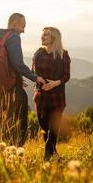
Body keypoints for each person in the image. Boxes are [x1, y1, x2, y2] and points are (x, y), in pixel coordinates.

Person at [0, 13, 46, 147]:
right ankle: (17, 156)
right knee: (20, 125)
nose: (23, 30)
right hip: (13, 90)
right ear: (15, 24)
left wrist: (17, 78)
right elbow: (17, 64)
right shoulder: (14, 37)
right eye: (22, 26)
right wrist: (36, 77)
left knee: (5, 125)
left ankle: (5, 158)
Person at [32, 27, 71, 160]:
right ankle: (54, 155)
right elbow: (33, 72)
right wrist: (37, 79)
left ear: (54, 38)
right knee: (44, 127)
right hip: (41, 96)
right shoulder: (38, 53)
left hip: (56, 97)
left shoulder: (63, 55)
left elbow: (66, 76)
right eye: (42, 34)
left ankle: (47, 159)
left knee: (53, 128)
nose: (42, 37)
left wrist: (54, 83)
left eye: (46, 35)